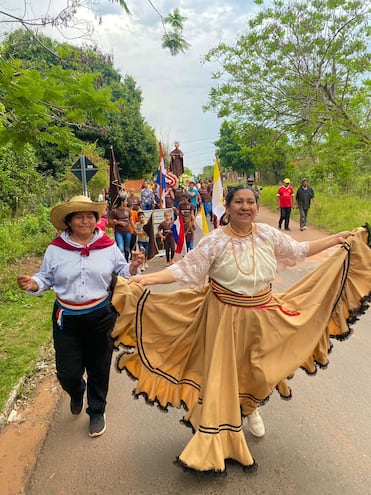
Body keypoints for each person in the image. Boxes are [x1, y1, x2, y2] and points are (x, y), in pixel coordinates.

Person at [110, 185, 370, 475]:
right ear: (229, 206)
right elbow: (184, 270)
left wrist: (336, 239)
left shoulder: (267, 234)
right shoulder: (215, 241)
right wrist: (147, 281)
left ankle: (251, 407)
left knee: (261, 371)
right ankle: (217, 436)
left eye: (250, 202)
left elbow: (299, 250)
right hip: (223, 317)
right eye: (239, 202)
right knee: (223, 374)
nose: (245, 207)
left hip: (264, 314)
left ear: (257, 207)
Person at [17, 195, 144, 438]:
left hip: (101, 315)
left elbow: (121, 270)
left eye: (90, 216)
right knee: (68, 372)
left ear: (97, 220)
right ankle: (76, 391)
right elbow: (46, 278)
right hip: (67, 318)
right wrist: (33, 283)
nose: (85, 221)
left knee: (99, 366)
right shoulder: (56, 249)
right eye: (79, 216)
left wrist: (134, 266)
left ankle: (97, 410)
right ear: (69, 221)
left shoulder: (107, 245)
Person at [108, 197, 135, 261]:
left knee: (127, 249)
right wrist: (119, 223)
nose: (127, 202)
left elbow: (131, 220)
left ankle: (126, 261)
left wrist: (134, 229)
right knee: (120, 248)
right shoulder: (114, 211)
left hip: (128, 231)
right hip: (118, 232)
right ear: (122, 202)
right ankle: (120, 261)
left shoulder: (128, 210)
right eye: (125, 201)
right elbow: (110, 221)